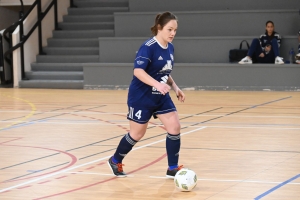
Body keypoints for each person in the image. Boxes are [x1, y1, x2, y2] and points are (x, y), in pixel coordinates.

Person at [107, 12, 185, 178]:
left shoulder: (170, 48)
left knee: (175, 127)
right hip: (141, 96)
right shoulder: (148, 47)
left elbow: (164, 71)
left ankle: (172, 168)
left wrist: (175, 87)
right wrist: (157, 84)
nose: (173, 33)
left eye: (175, 30)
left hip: (160, 96)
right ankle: (115, 160)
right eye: (169, 29)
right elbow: (138, 71)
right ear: (159, 28)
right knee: (137, 134)